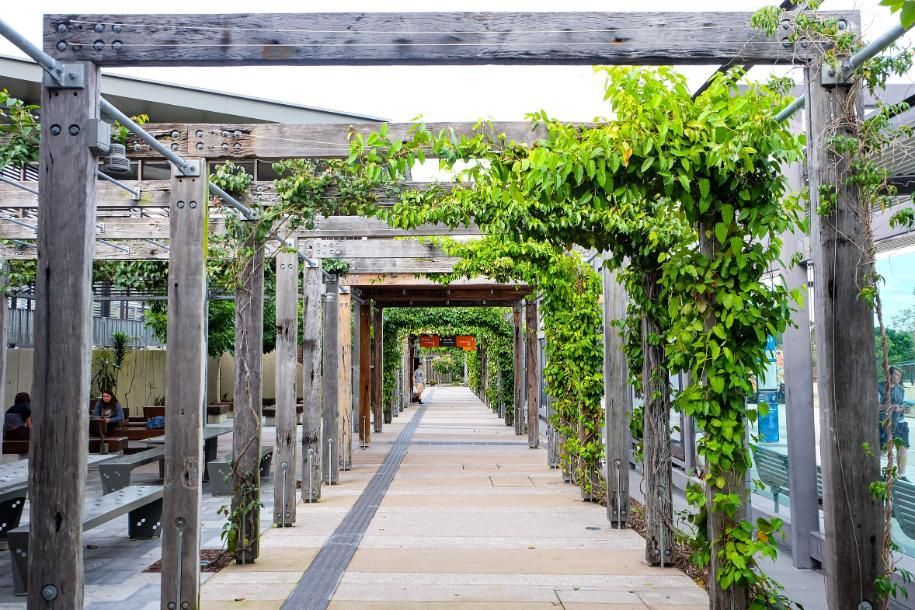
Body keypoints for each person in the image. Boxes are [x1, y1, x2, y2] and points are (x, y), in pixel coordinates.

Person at [879, 366, 914, 478]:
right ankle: (874, 471)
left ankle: (901, 476)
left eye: (900, 375)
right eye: (897, 375)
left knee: (903, 446)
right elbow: (874, 406)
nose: (899, 377)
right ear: (889, 375)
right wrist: (890, 407)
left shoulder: (901, 389)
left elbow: (902, 403)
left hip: (900, 422)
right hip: (885, 423)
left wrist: (905, 409)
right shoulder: (878, 387)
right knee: (882, 450)